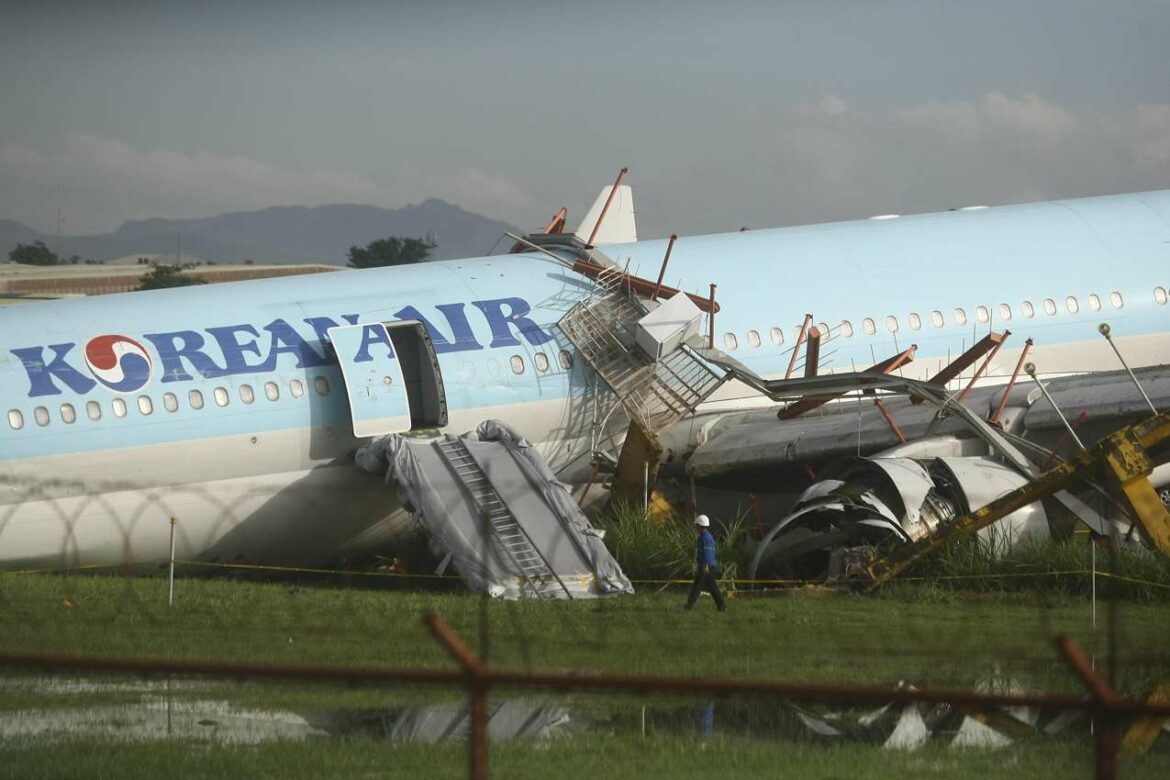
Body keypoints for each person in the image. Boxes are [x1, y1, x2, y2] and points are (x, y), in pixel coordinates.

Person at [684, 514, 726, 611]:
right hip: (709, 566)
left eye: (696, 526)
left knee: (697, 586)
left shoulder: (705, 538)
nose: (695, 528)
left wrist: (705, 565)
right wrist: (697, 562)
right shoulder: (706, 537)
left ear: (699, 525)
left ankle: (689, 606)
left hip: (706, 567)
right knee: (712, 587)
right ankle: (722, 606)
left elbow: (707, 553)